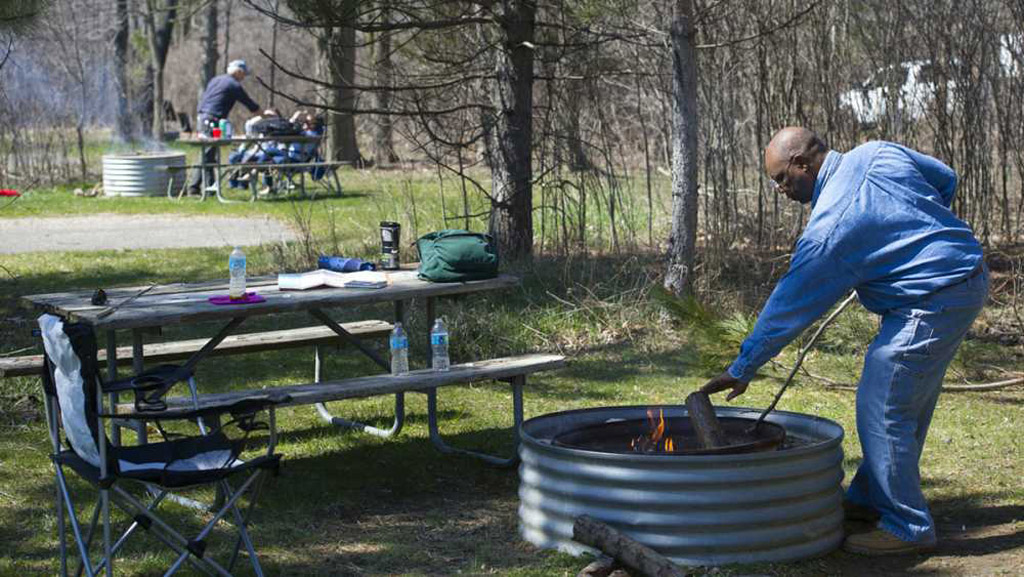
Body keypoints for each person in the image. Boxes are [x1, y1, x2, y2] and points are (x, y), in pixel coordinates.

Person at [700, 127, 986, 556]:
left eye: (781, 178)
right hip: (965, 275)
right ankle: (870, 499)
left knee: (883, 404)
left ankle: (907, 527)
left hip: (934, 298)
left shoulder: (831, 228)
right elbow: (945, 177)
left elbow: (788, 306)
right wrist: (908, 235)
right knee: (906, 401)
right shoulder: (876, 152)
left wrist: (743, 366)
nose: (779, 189)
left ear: (803, 163)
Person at [187, 59, 261, 195]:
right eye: (243, 74)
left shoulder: (216, 80)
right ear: (238, 72)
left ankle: (210, 189)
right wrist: (264, 115)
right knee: (207, 152)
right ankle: (193, 187)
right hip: (212, 121)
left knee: (209, 154)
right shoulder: (233, 85)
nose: (243, 78)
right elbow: (250, 105)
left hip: (203, 118)